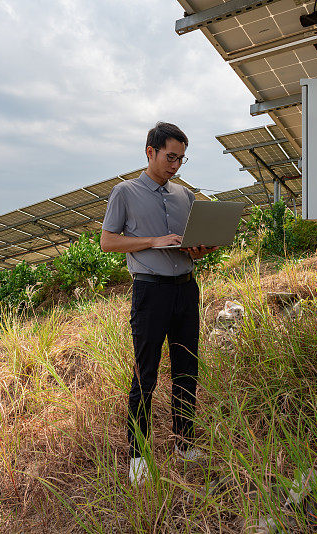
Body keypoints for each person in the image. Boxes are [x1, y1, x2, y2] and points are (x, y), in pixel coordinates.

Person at [100, 122, 218, 485]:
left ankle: (184, 444)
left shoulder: (186, 196)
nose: (176, 165)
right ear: (150, 151)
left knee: (187, 369)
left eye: (182, 159)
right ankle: (138, 456)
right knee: (145, 373)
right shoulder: (125, 192)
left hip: (186, 288)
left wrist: (202, 248)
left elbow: (198, 241)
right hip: (150, 292)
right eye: (171, 157)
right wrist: (153, 242)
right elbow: (107, 241)